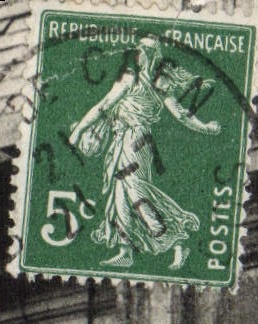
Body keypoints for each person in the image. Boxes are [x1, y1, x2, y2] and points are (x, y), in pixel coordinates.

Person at [68, 35, 220, 271]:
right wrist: (79, 131)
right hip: (122, 140)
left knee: (135, 190)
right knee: (120, 195)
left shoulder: (157, 84)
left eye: (148, 51)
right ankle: (125, 251)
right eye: (141, 50)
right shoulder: (131, 78)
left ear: (155, 55)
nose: (143, 55)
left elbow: (180, 114)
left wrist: (206, 128)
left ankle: (177, 240)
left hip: (136, 140)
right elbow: (104, 106)